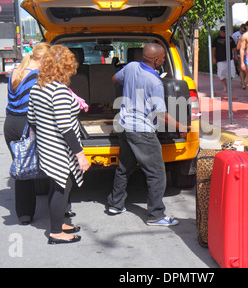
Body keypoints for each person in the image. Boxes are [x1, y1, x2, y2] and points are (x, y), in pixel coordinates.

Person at [107, 43, 187, 226]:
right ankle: (156, 215)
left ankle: (115, 204)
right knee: (156, 173)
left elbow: (113, 79)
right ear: (156, 60)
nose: (164, 60)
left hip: (124, 125)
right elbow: (160, 114)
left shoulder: (131, 67)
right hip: (142, 131)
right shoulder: (155, 82)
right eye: (163, 58)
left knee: (124, 167)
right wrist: (180, 126)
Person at [28, 44, 91, 244]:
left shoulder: (38, 87)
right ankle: (56, 232)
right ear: (65, 67)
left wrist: (45, 138)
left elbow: (31, 119)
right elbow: (65, 128)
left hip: (46, 146)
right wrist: (80, 155)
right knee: (61, 187)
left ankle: (59, 222)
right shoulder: (59, 91)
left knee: (58, 185)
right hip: (59, 149)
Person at [4, 42, 50, 225]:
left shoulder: (15, 70)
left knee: (21, 167)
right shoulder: (38, 76)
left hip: (10, 124)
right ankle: (59, 208)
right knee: (42, 166)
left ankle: (24, 214)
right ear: (42, 59)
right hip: (26, 125)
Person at [212, 26, 237, 92]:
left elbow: (234, 48)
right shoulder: (216, 39)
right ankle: (225, 86)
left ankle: (228, 84)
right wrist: (213, 57)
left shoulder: (230, 38)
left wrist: (236, 55)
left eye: (225, 31)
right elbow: (213, 49)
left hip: (229, 59)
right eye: (223, 31)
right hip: (220, 59)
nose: (224, 33)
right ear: (221, 31)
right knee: (221, 73)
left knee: (232, 73)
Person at [233, 24, 248, 88]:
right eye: (242, 31)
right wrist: (236, 55)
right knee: (242, 69)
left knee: (246, 70)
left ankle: (244, 81)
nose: (243, 32)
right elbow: (235, 47)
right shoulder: (235, 35)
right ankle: (242, 82)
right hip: (240, 54)